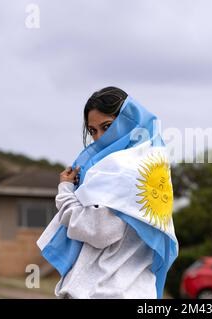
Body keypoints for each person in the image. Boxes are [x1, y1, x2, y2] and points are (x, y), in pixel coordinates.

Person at [53, 87, 158, 298]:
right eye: (93, 131)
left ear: (129, 123)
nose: (99, 138)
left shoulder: (127, 170)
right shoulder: (153, 169)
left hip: (107, 291)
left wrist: (65, 192)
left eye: (107, 127)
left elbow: (100, 230)